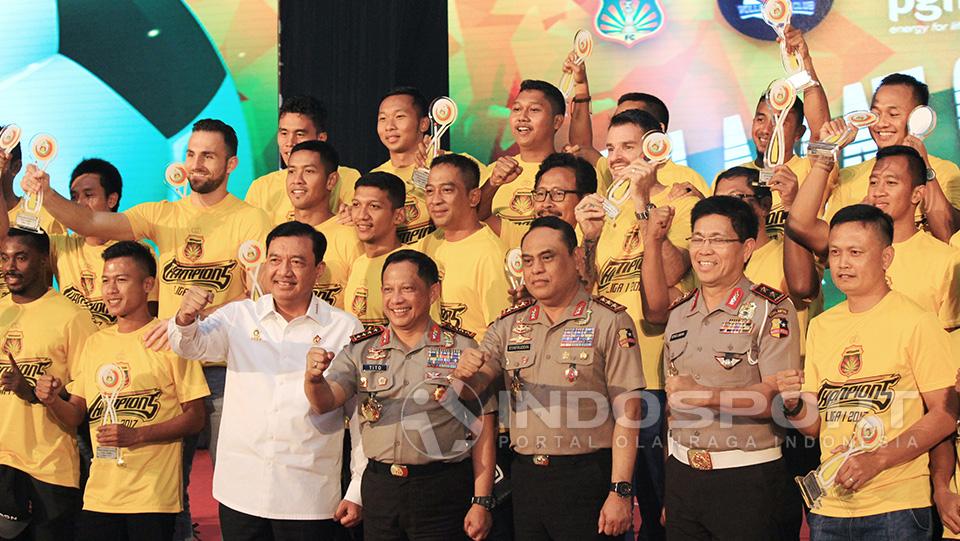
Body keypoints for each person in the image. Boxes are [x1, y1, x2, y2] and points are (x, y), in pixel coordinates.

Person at [168, 221, 365, 540]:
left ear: (318, 271)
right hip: (241, 493)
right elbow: (191, 345)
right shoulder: (239, 316)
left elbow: (359, 417)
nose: (283, 270)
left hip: (309, 496)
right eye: (275, 260)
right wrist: (185, 319)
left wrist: (357, 489)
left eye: (297, 262)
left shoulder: (343, 327)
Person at [776, 204, 959, 540]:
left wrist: (877, 460)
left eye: (856, 252)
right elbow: (815, 426)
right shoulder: (820, 326)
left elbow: (946, 415)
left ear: (886, 258)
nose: (842, 263)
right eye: (835, 252)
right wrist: (792, 405)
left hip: (897, 506)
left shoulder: (917, 321)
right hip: (829, 507)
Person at [462, 216, 644, 540]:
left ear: (575, 259)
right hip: (526, 478)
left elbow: (628, 413)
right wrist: (462, 375)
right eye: (528, 261)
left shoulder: (609, 320)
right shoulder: (507, 326)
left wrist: (620, 490)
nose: (536, 270)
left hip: (587, 477)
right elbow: (472, 390)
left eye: (547, 257)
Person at [305, 249, 497, 541]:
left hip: (441, 489)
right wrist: (313, 378)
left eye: (407, 289)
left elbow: (483, 427)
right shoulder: (361, 350)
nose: (396, 300)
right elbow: (324, 402)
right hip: (381, 489)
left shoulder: (462, 347)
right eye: (388, 290)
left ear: (433, 292)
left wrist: (481, 501)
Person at [575, 109, 698, 539]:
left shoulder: (682, 201)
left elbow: (670, 273)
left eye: (628, 146)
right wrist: (588, 239)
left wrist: (645, 204)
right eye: (611, 148)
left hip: (656, 372)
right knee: (619, 499)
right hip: (605, 374)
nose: (617, 157)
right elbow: (589, 284)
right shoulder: (606, 211)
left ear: (655, 147)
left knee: (663, 504)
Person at [33, 241, 208, 541]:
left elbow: (195, 417)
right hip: (100, 496)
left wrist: (138, 435)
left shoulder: (170, 340)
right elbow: (75, 413)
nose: (110, 290)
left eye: (121, 280)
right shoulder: (95, 342)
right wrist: (50, 400)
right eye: (105, 280)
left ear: (148, 284)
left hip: (153, 498)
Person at [657, 196, 802, 539]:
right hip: (683, 478)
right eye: (697, 238)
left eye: (718, 240)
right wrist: (671, 483)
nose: (704, 250)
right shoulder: (678, 313)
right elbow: (672, 407)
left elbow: (777, 401)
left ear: (747, 247)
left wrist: (703, 395)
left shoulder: (771, 309)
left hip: (747, 478)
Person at [789, 128, 960, 331]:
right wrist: (825, 160)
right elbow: (799, 223)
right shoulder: (854, 244)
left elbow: (948, 344)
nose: (879, 191)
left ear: (917, 194)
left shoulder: (945, 260)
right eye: (873, 182)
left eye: (890, 183)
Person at [0, 229, 97, 540]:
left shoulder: (72, 317)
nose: (9, 266)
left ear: (44, 260)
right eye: (4, 258)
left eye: (21, 257)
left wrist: (34, 392)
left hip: (49, 465)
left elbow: (84, 402)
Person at [825, 73, 960, 240]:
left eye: (893, 114)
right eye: (876, 114)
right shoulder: (848, 178)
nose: (881, 123)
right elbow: (829, 248)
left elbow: (949, 236)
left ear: (919, 118)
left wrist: (924, 167)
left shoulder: (945, 172)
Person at [561, 60, 710, 199]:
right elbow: (582, 148)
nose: (621, 125)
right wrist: (580, 86)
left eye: (632, 118)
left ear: (658, 131)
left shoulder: (686, 178)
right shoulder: (613, 167)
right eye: (618, 119)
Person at [371, 87, 488, 246]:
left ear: (424, 123)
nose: (389, 126)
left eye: (399, 116)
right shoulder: (375, 178)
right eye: (382, 118)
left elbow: (485, 214)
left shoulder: (459, 166)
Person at [51, 158, 159, 327]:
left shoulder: (138, 251)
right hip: (73, 352)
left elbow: (150, 314)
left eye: (88, 195)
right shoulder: (60, 246)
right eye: (74, 197)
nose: (79, 204)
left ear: (112, 200)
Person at [417, 153, 511, 340]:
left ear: (474, 197)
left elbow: (502, 335)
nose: (435, 200)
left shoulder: (491, 255)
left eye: (447, 190)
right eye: (429, 191)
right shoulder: (429, 243)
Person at [245, 94, 362, 220]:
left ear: (321, 138)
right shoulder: (261, 187)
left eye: (300, 134)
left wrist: (353, 215)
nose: (290, 142)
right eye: (284, 133)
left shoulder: (348, 178)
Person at [283, 140, 362, 308]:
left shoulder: (350, 236)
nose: (297, 180)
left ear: (331, 180)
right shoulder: (279, 236)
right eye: (291, 171)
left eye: (309, 171)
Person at [480, 80, 565, 226]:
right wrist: (493, 184)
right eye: (517, 109)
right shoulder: (493, 173)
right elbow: (474, 222)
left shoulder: (569, 174)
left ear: (557, 121)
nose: (522, 117)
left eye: (534, 110)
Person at [485, 152, 597, 249]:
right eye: (540, 193)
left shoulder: (598, 240)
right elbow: (480, 217)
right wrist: (493, 183)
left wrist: (590, 242)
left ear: (584, 200)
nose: (546, 203)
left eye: (558, 194)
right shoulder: (526, 236)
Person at [343, 172, 406, 329]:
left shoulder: (408, 265)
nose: (362, 215)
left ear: (398, 216)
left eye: (374, 206)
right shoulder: (358, 263)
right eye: (356, 205)